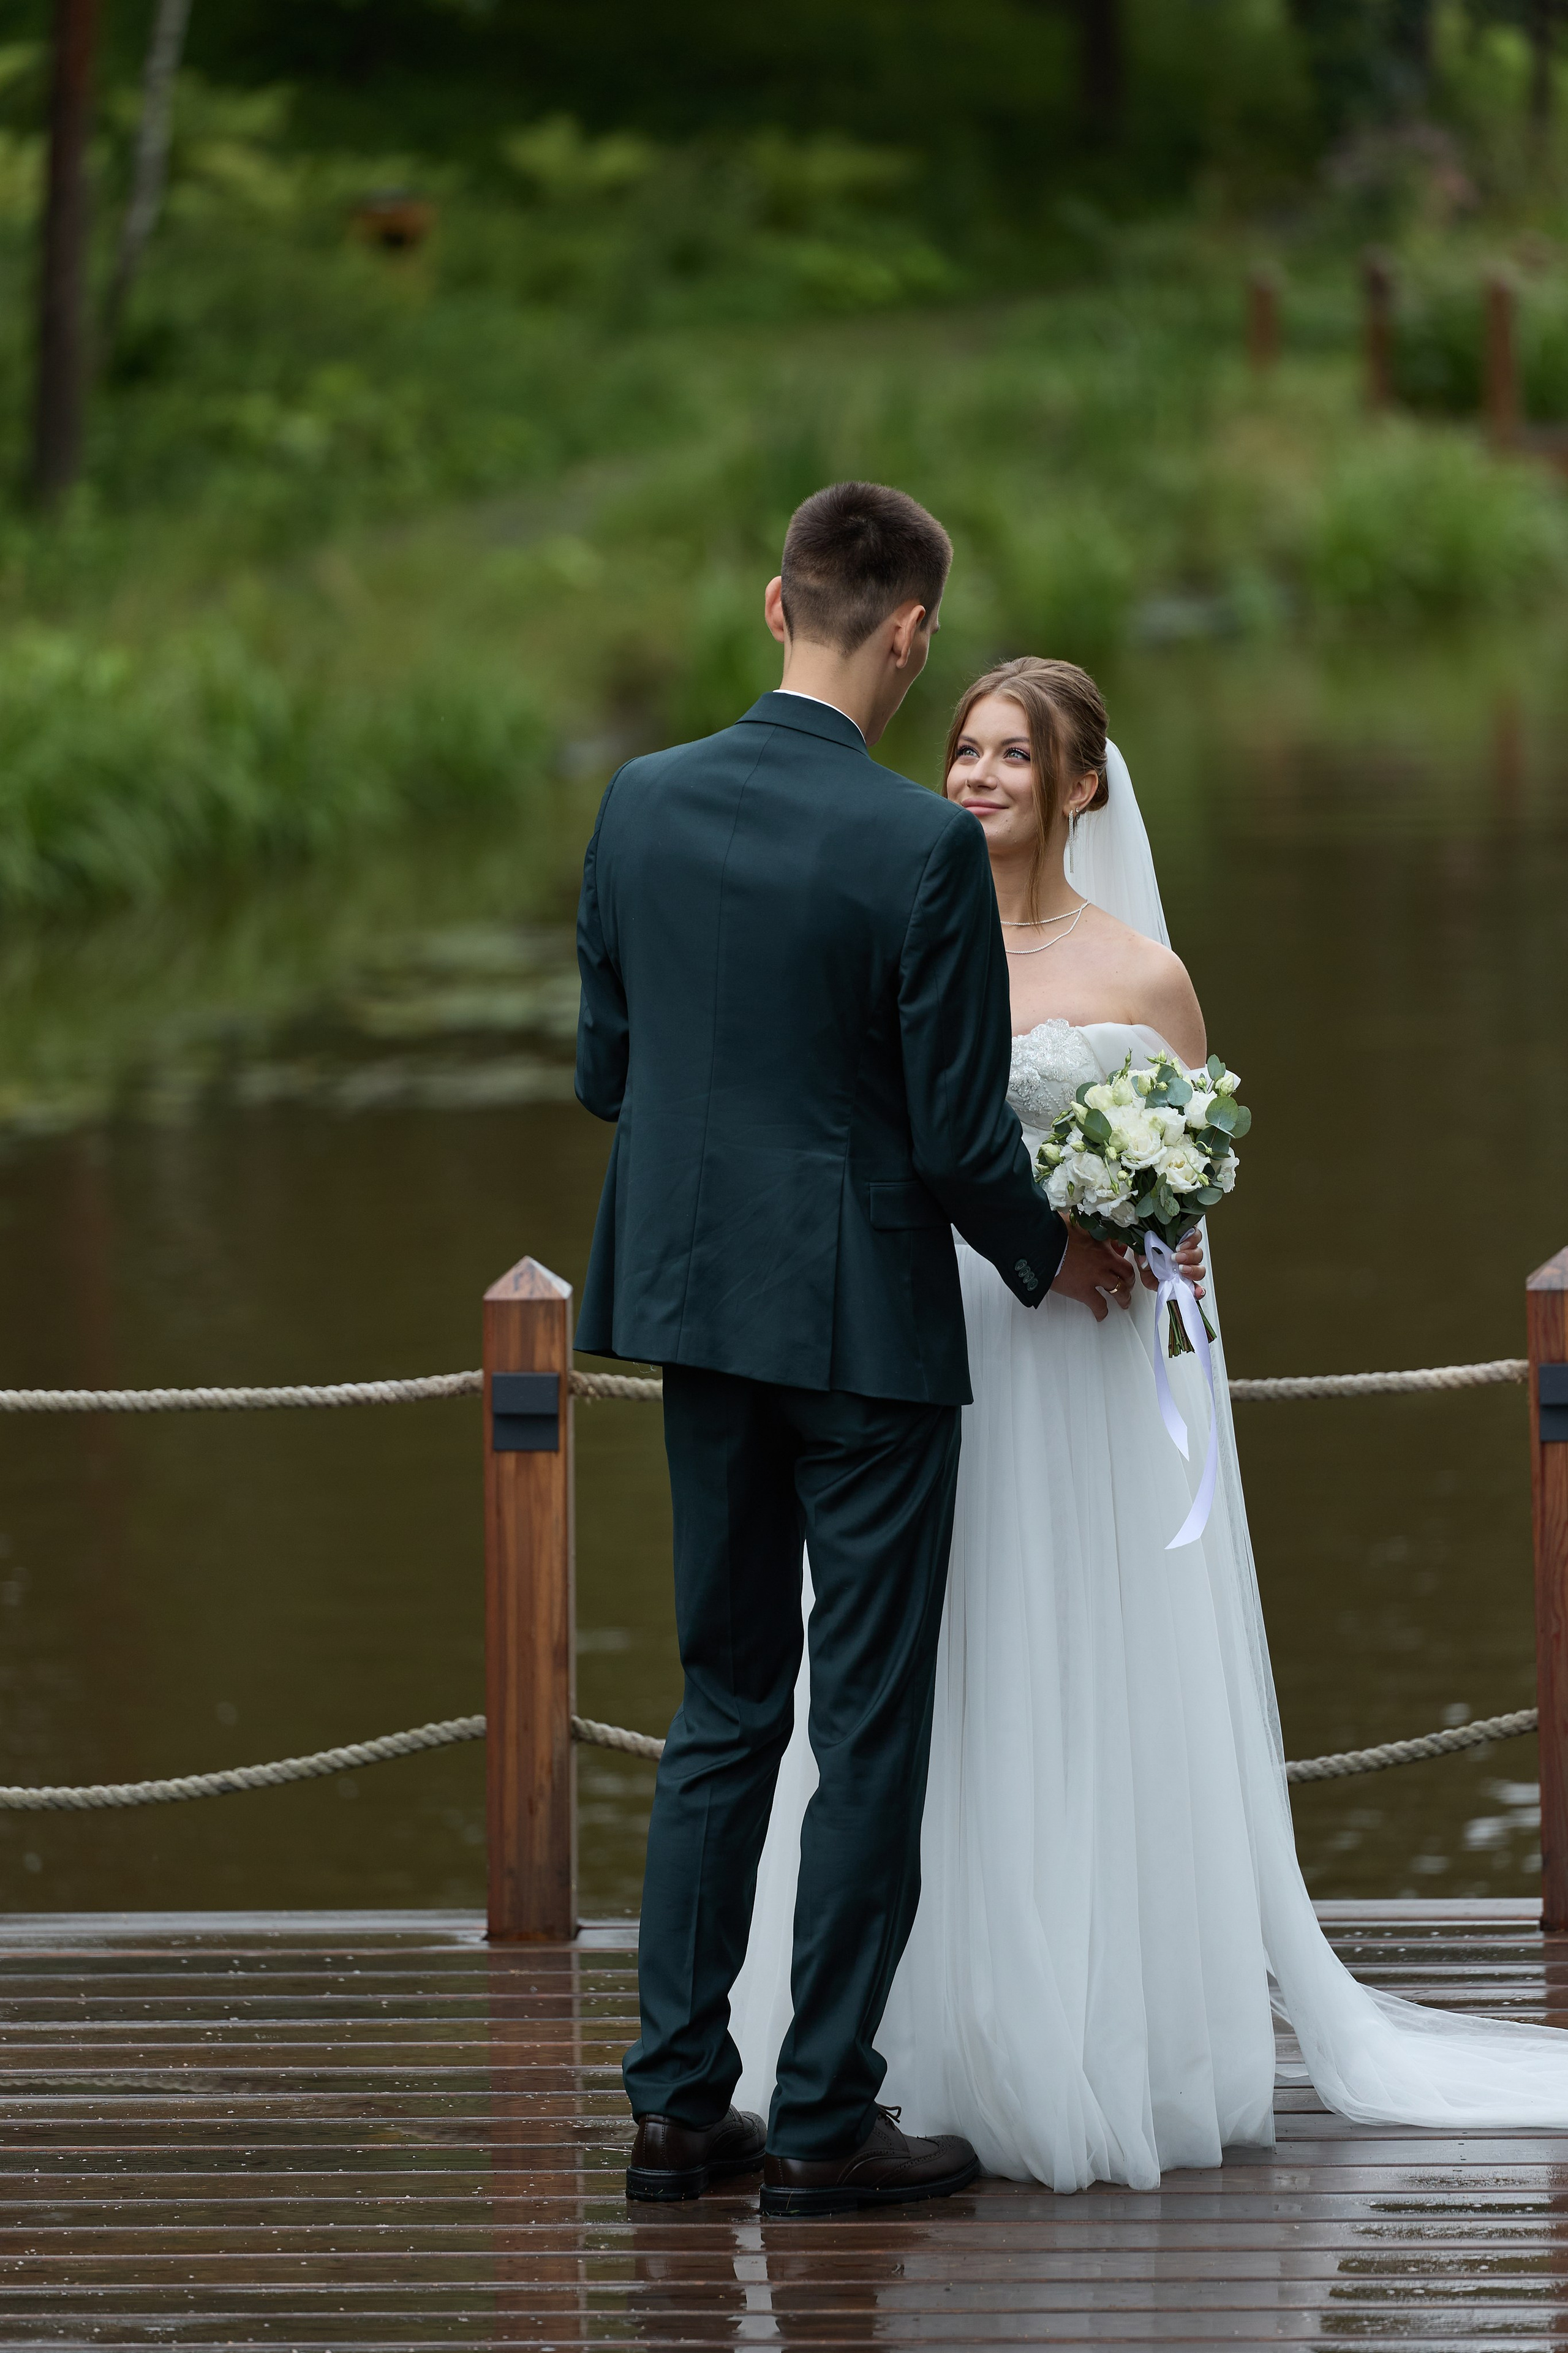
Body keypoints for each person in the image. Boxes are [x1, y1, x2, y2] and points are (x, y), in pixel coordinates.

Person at [731, 654, 1568, 2191]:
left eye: (1007, 755)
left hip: (1092, 1369)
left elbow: (1196, 1205)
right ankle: (884, 2046)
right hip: (933, 1351)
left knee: (1083, 1663)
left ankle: (1103, 2033)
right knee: (908, 1676)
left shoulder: (1142, 979)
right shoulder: (897, 940)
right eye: (961, 749)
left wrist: (1150, 1234)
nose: (972, 775)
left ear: (1080, 785)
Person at [573, 489, 1139, 2218]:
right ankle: (823, 2115)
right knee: (870, 1720)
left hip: (687, 1307)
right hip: (871, 1338)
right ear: (907, 634)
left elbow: (611, 1071)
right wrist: (1061, 1256)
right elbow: (965, 1139)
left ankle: (678, 2108)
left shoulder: (639, 802)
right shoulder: (914, 852)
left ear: (775, 603)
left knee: (724, 1702)